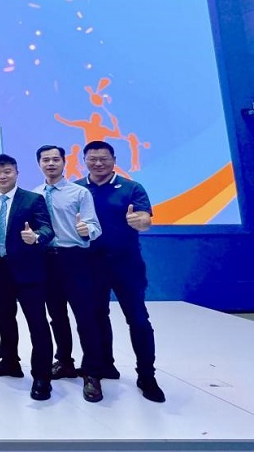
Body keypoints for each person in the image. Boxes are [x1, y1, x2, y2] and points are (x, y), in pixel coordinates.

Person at [77, 141, 165, 402]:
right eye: (92, 159)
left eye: (104, 158)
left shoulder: (131, 188)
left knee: (138, 319)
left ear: (114, 160)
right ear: (84, 160)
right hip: (89, 265)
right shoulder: (77, 189)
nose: (98, 163)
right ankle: (99, 369)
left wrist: (141, 221)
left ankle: (146, 376)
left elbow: (145, 218)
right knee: (94, 319)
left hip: (126, 265)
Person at [33, 144, 105, 403]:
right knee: (56, 316)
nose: (51, 163)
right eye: (45, 160)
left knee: (85, 317)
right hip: (46, 260)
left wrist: (87, 231)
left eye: (55, 159)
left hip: (74, 258)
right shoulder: (34, 194)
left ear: (64, 162)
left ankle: (92, 373)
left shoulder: (79, 193)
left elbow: (94, 225)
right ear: (39, 164)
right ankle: (64, 361)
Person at [0, 154, 55, 401]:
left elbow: (47, 228)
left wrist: (36, 237)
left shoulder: (32, 199)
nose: (2, 176)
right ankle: (9, 362)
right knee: (5, 318)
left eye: (7, 171)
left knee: (37, 323)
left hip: (28, 271)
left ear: (16, 173)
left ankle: (42, 376)